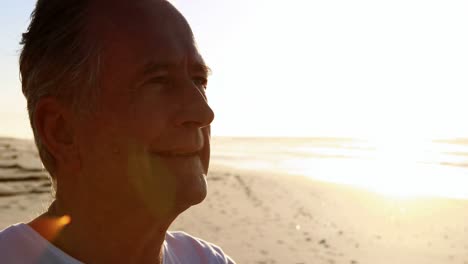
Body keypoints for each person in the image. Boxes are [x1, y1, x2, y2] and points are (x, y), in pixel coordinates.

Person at [0, 0, 235, 263]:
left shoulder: (206, 259)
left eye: (198, 80)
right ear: (60, 130)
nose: (203, 113)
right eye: (158, 80)